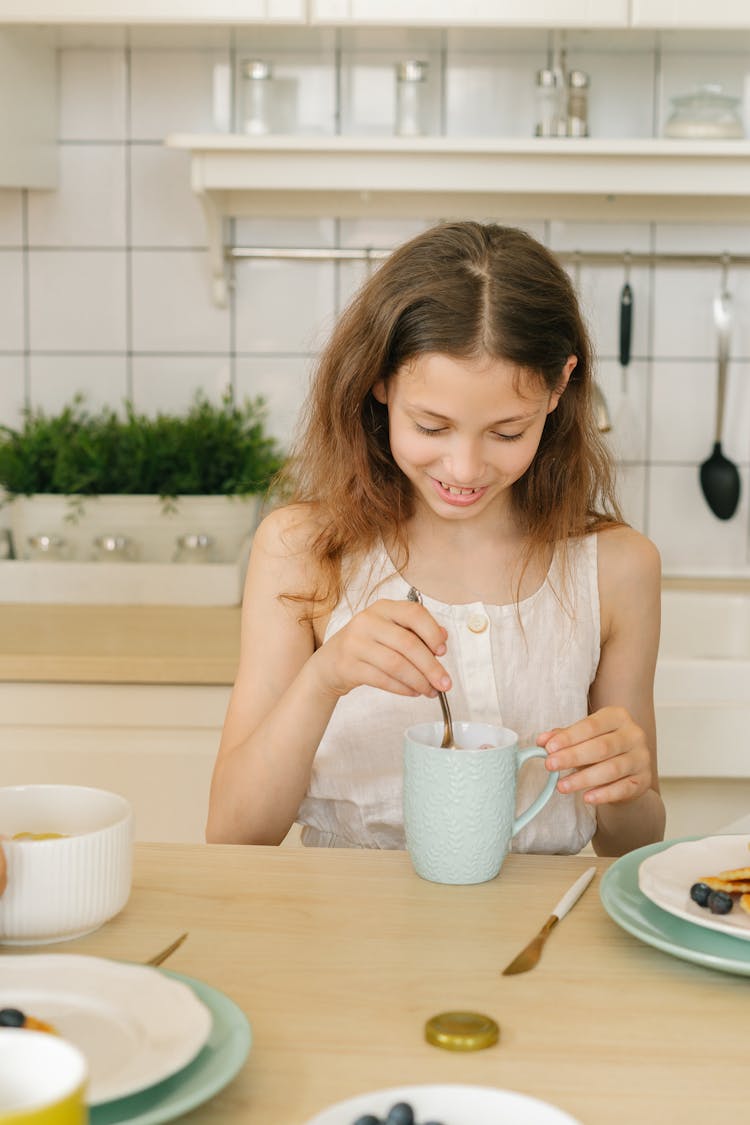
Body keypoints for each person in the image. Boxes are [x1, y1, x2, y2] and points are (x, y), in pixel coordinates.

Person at [207, 221, 665, 858]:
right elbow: (234, 832)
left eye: (506, 432)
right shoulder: (301, 552)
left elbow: (634, 841)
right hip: (346, 938)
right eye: (432, 425)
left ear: (560, 387)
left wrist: (627, 783)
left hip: (539, 941)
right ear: (380, 381)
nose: (465, 468)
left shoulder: (617, 567)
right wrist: (324, 677)